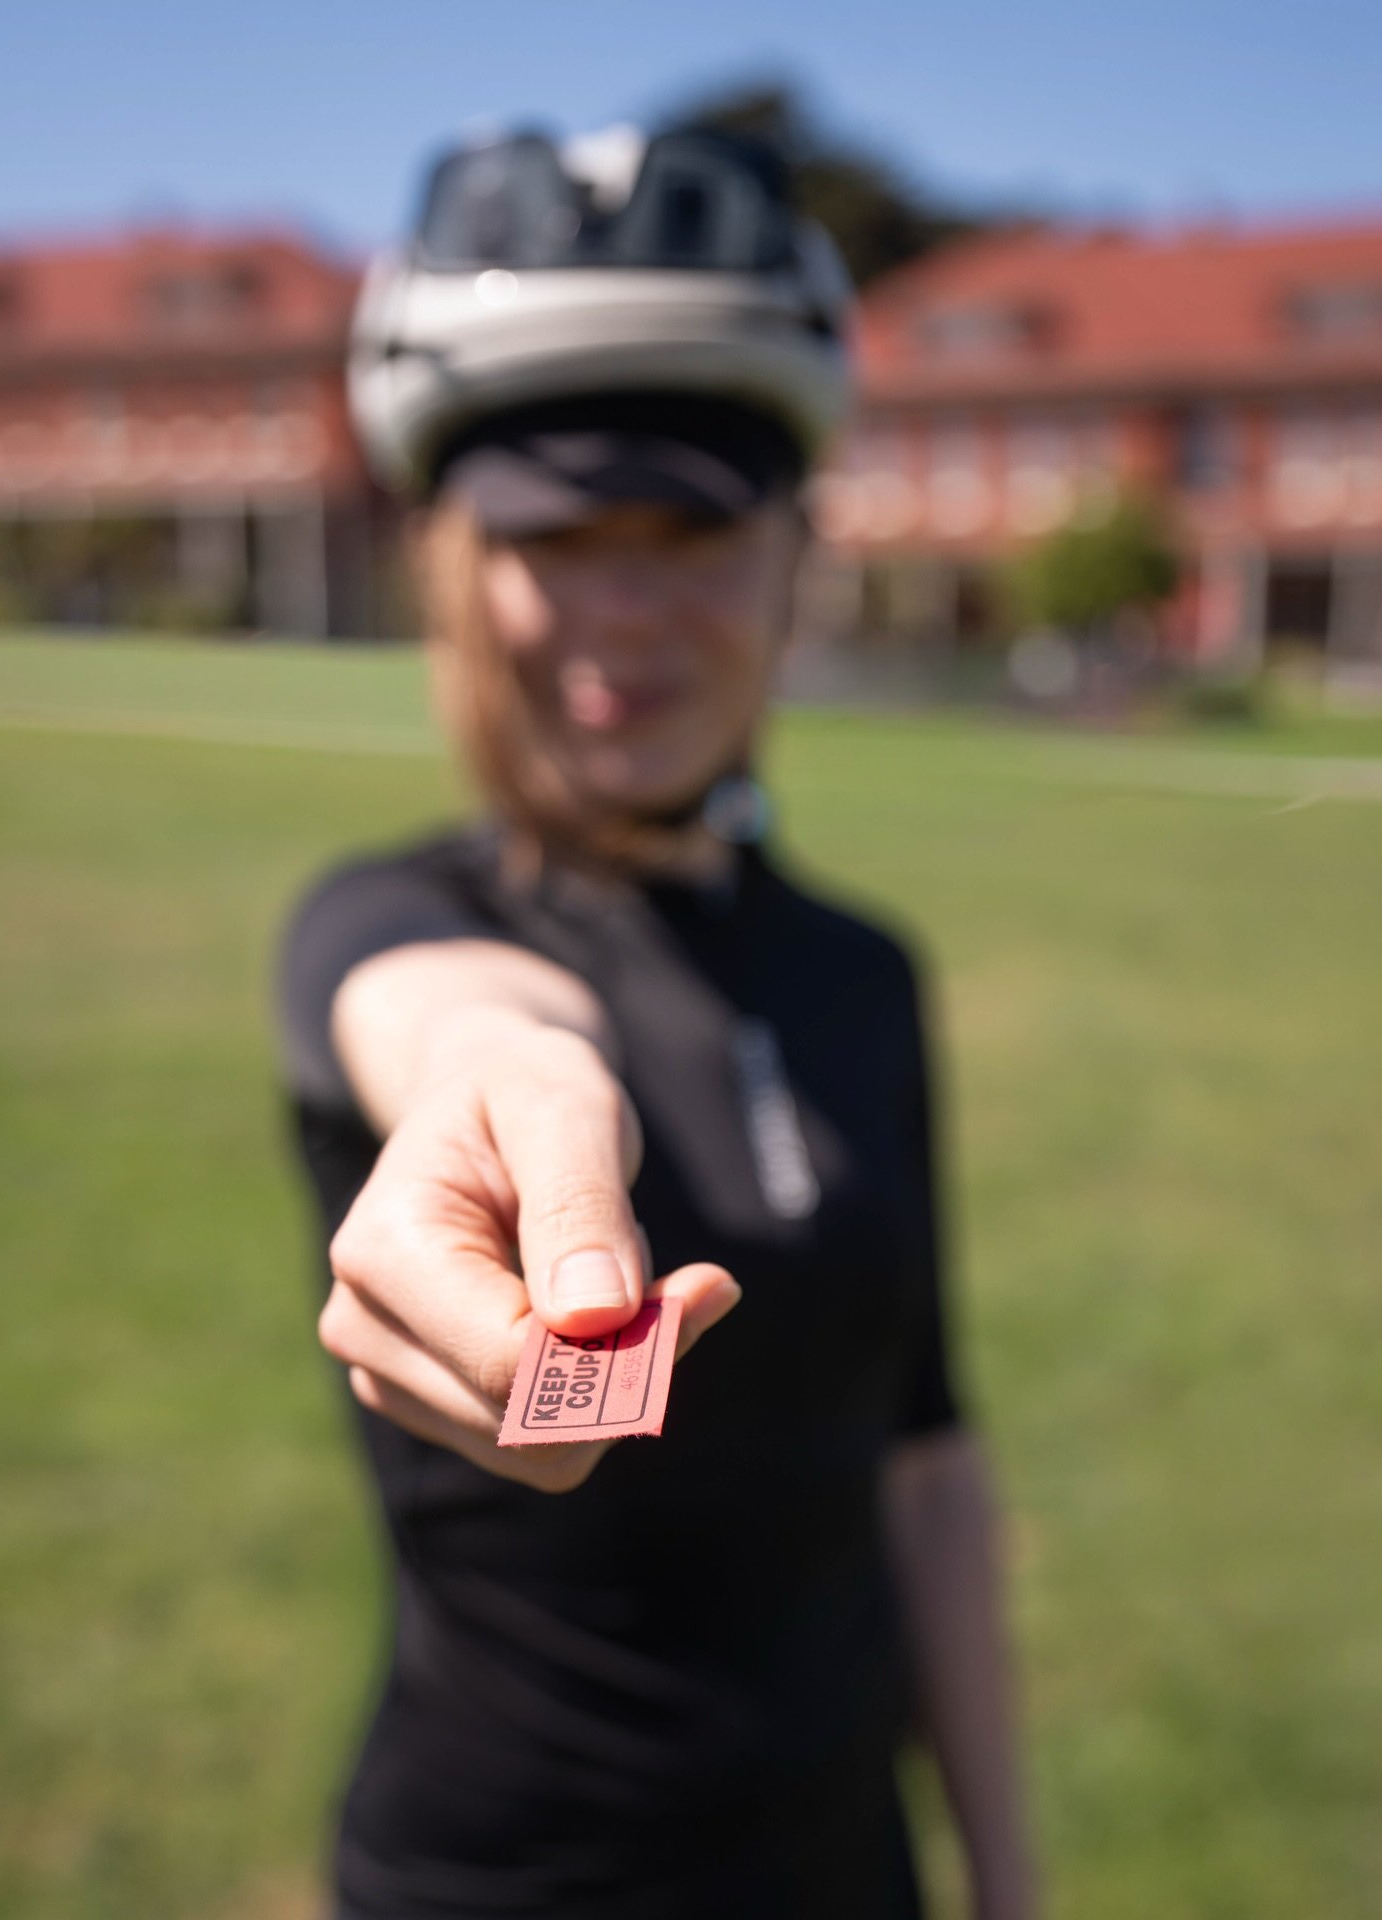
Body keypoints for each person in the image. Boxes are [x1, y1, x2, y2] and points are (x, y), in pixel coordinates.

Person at [276, 124, 1036, 1920]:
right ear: (458, 570)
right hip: (496, 1882)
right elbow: (459, 1025)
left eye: (689, 527)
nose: (624, 605)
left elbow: (923, 1457)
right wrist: (512, 1078)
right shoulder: (388, 919)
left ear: (798, 554)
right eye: (554, 533)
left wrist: (1009, 1877)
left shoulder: (868, 970)